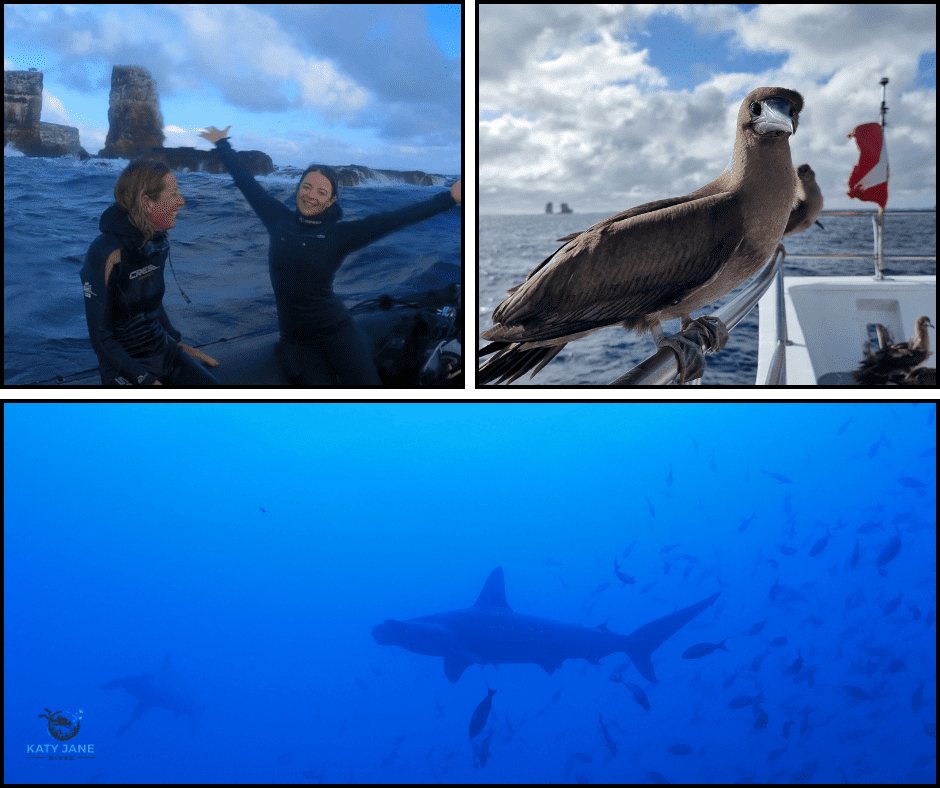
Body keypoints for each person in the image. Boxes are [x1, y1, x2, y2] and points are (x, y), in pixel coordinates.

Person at [199, 125, 461, 385]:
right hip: (297, 340)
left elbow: (395, 219)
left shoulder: (339, 236)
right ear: (299, 187)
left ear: (331, 200)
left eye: (321, 192)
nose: (311, 196)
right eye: (307, 186)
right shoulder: (277, 219)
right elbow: (246, 182)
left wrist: (450, 197)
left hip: (337, 330)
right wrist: (222, 143)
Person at [79, 161, 220, 385]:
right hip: (124, 366)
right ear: (147, 203)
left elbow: (150, 301)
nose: (181, 201)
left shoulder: (158, 240)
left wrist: (177, 342)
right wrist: (145, 380)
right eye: (173, 194)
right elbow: (101, 339)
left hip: (162, 350)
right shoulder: (107, 253)